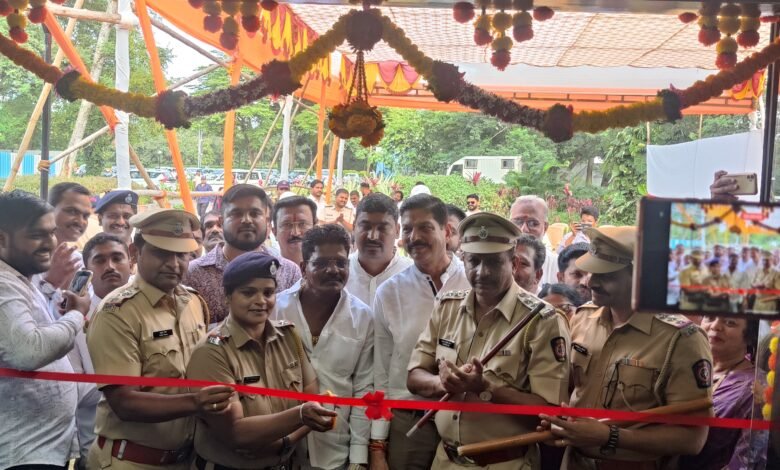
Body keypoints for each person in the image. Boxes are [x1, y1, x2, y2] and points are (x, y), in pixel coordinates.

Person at [539, 226, 712, 469]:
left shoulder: (681, 339)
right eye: (591, 272)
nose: (591, 282)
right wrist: (560, 423)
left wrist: (609, 436)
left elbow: (693, 439)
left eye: (606, 275)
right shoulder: (583, 318)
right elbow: (569, 391)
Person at [407, 212, 570, 469]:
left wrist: (486, 388)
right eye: (474, 261)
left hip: (505, 463)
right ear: (463, 260)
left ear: (513, 262)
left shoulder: (541, 320)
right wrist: (443, 383)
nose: (482, 272)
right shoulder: (447, 307)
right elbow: (414, 376)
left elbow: (550, 414)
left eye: (494, 262)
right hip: (444, 460)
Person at [86, 208, 233, 470]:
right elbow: (124, 402)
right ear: (135, 252)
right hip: (130, 461)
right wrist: (196, 403)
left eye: (182, 255)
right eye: (162, 253)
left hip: (185, 460)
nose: (174, 264)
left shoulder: (192, 302)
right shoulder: (117, 312)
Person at [185, 252, 337, 470]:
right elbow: (236, 433)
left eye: (268, 292)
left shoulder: (289, 336)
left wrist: (287, 442)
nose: (261, 301)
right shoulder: (211, 352)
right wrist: (300, 415)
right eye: (248, 293)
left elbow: (312, 397)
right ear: (227, 296)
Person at [372, 194, 470, 470]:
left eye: (425, 227)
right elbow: (381, 372)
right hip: (409, 421)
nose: (414, 237)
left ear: (447, 231)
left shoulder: (474, 283)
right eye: (407, 229)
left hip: (467, 420)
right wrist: (377, 444)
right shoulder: (390, 292)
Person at [0, 190, 91, 469]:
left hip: (40, 449)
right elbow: (29, 350)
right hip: (23, 454)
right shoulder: (3, 284)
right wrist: (76, 315)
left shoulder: (19, 279)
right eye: (36, 235)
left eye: (51, 233)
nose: (50, 243)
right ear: (2, 239)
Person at [274, 225, 374, 469]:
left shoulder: (363, 317)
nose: (333, 270)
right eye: (321, 263)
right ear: (303, 268)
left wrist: (359, 457)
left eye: (341, 262)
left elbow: (363, 388)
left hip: (335, 449)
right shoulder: (276, 309)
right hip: (277, 447)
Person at [185, 184, 301, 327]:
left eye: (255, 213)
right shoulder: (192, 274)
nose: (246, 220)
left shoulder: (289, 272)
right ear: (221, 221)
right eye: (236, 213)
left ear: (266, 220)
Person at [75, 233, 134, 465]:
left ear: (131, 262)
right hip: (98, 448)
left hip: (158, 446)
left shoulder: (154, 309)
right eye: (99, 260)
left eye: (117, 258)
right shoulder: (73, 317)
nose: (110, 266)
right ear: (86, 270)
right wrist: (127, 388)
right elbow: (74, 389)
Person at [678, 316, 767, 469]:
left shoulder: (756, 389)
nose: (715, 326)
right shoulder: (683, 365)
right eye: (710, 318)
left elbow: (746, 462)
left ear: (749, 336)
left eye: (730, 322)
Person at [344, 193, 412, 307]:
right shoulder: (337, 274)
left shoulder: (415, 275)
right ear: (354, 227)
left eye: (382, 228)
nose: (373, 236)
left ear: (397, 230)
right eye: (365, 227)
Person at [37, 182, 92, 300]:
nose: (80, 221)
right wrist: (50, 284)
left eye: (86, 216)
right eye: (72, 211)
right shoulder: (26, 258)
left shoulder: (78, 262)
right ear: (49, 209)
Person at [509, 196, 558, 288]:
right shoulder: (496, 262)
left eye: (532, 223)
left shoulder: (557, 266)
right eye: (517, 222)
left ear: (545, 227)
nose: (523, 229)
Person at [272, 196, 318, 266]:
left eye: (302, 224)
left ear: (315, 228)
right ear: (274, 232)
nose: (295, 233)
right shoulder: (265, 269)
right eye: (287, 225)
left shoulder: (329, 269)